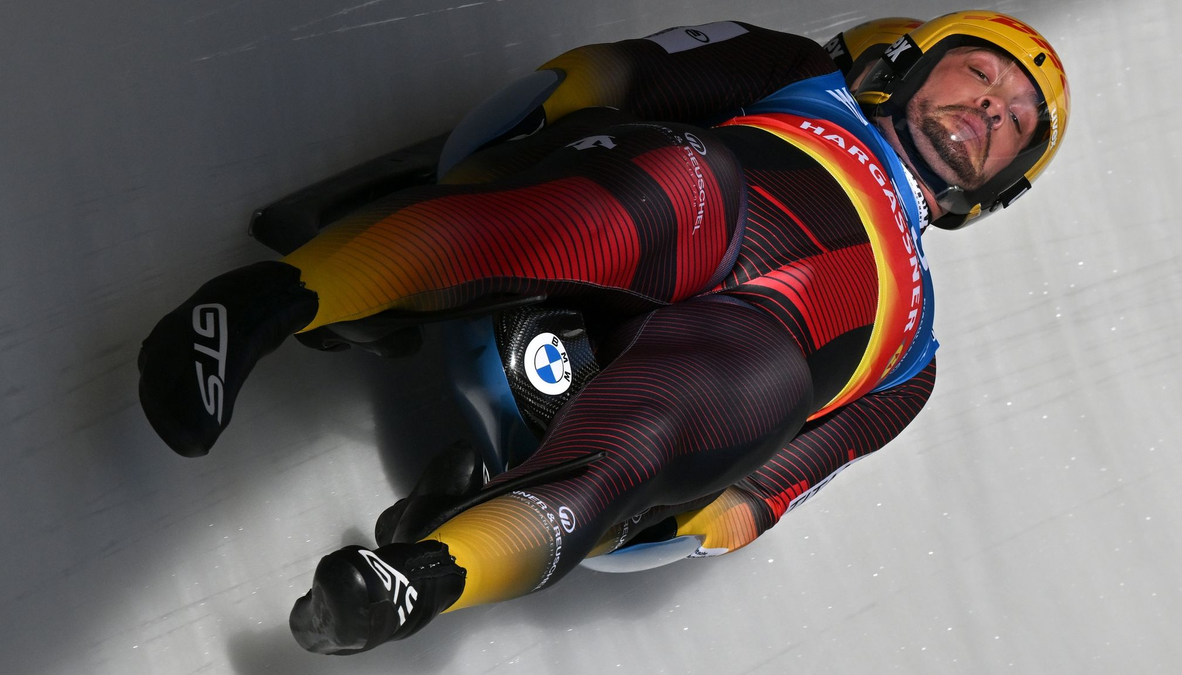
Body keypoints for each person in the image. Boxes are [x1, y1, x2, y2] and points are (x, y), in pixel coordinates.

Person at [135, 10, 1070, 654]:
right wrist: (525, 131)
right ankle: (261, 305)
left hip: (688, 381)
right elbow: (621, 72)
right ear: (914, 61)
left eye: (1015, 121)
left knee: (763, 381)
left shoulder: (913, 357)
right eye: (979, 72)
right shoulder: (797, 73)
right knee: (689, 187)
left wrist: (697, 515)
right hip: (640, 222)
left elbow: (767, 490)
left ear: (998, 186)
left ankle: (425, 576)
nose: (990, 107)